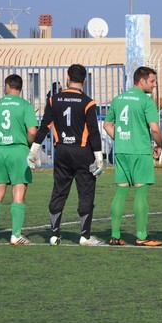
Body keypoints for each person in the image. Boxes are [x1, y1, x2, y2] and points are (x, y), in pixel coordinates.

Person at [27, 64, 105, 246]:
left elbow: (45, 126)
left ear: (68, 78)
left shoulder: (54, 100)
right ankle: (85, 236)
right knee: (85, 192)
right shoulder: (88, 102)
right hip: (83, 151)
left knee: (59, 191)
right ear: (84, 80)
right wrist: (99, 158)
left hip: (61, 151)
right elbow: (94, 131)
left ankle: (54, 235)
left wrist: (34, 151)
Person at [103, 66, 162, 246]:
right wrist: (159, 145)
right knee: (140, 193)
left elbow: (107, 125)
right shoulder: (146, 101)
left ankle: (115, 235)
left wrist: (121, 139)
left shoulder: (118, 99)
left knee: (120, 192)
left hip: (122, 151)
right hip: (140, 152)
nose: (155, 85)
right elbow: (154, 128)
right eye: (152, 81)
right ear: (142, 81)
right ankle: (142, 236)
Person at [0, 74, 38, 246]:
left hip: (0, 152)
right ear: (20, 87)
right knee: (18, 193)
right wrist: (27, 144)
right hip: (19, 151)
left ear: (7, 86)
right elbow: (33, 131)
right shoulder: (25, 106)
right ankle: (15, 235)